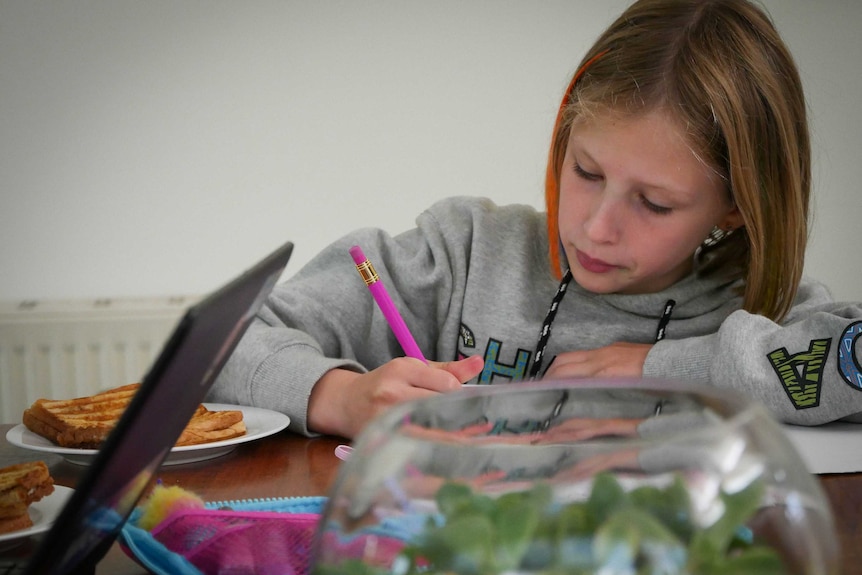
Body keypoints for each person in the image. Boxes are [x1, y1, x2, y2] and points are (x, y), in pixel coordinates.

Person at [208, 0, 862, 439]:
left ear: (735, 207)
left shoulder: (760, 314)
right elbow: (222, 343)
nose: (597, 227)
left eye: (654, 203)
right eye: (586, 171)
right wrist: (340, 396)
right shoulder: (463, 253)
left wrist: (670, 366)